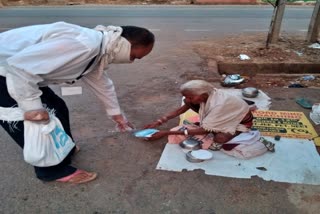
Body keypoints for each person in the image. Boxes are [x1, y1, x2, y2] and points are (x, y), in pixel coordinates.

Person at [0, 22, 155, 184]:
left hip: (23, 75)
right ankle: (51, 171)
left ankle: (64, 149)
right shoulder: (84, 45)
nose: (132, 61)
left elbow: (100, 82)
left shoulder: (100, 49)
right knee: (32, 123)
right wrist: (32, 108)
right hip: (8, 73)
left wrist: (117, 116)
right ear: (124, 45)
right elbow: (20, 69)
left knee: (57, 108)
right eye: (134, 57)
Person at [144, 80, 274, 158]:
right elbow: (183, 108)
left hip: (240, 122)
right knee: (197, 113)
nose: (186, 100)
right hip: (223, 115)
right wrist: (160, 121)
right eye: (185, 96)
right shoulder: (204, 97)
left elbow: (203, 131)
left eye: (190, 97)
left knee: (219, 139)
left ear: (203, 95)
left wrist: (166, 132)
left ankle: (243, 135)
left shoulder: (218, 104)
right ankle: (213, 124)